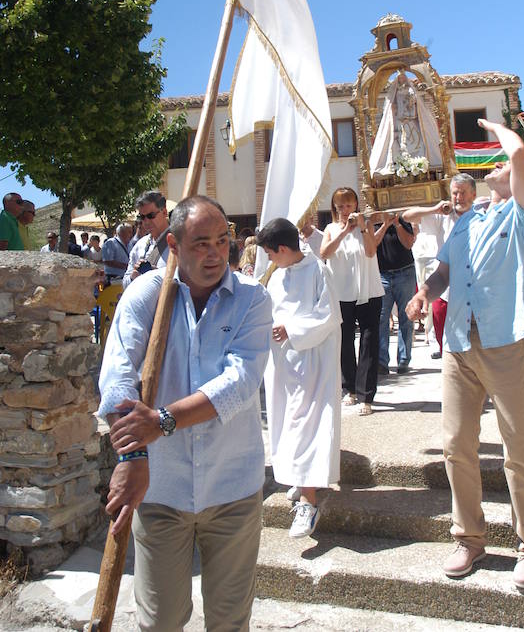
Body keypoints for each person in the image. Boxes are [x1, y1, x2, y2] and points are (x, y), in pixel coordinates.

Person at [98, 195, 272, 632]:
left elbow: (240, 383)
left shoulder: (252, 299)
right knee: (159, 622)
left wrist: (162, 422)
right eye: (200, 243)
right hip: (160, 491)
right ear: (173, 245)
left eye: (222, 241)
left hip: (232, 488)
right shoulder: (145, 295)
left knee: (230, 621)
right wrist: (133, 458)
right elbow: (117, 380)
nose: (215, 253)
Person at [406, 120, 524, 590]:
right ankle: (468, 537)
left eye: (501, 165)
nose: (493, 167)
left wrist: (500, 131)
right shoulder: (472, 217)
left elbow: (520, 157)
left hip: (504, 345)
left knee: (518, 452)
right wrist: (424, 292)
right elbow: (445, 268)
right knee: (456, 445)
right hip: (459, 346)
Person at [256, 218, 341, 539]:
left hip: (312, 362)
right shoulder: (278, 276)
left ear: (281, 248)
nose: (269, 260)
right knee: (287, 421)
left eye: (270, 253)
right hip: (283, 365)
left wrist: (291, 330)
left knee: (309, 422)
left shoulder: (319, 271)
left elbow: (330, 315)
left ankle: (309, 501)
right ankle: (299, 476)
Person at [320, 187, 383, 416]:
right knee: (345, 341)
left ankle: (367, 395)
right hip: (341, 294)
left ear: (355, 205)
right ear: (335, 208)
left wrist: (363, 228)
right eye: (340, 207)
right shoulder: (331, 228)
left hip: (369, 291)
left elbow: (370, 252)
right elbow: (324, 253)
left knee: (369, 341)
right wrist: (345, 231)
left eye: (349, 206)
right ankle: (350, 389)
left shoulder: (365, 227)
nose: (345, 210)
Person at [403, 173, 477, 358]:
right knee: (448, 346)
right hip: (445, 288)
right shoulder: (442, 216)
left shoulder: (482, 216)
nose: (458, 198)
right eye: (454, 193)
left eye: (463, 193)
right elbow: (407, 215)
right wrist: (434, 209)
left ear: (473, 194)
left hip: (474, 289)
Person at [375, 212, 416, 375]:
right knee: (381, 320)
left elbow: (408, 243)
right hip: (382, 274)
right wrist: (385, 225)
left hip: (404, 272)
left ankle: (404, 360)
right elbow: (372, 244)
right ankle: (382, 361)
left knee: (406, 317)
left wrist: (397, 223)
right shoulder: (374, 222)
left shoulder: (403, 220)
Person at [123, 191, 170, 289]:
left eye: (151, 215)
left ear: (164, 212)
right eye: (142, 217)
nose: (146, 221)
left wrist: (157, 276)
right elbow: (125, 284)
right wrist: (133, 276)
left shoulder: (181, 244)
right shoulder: (139, 245)